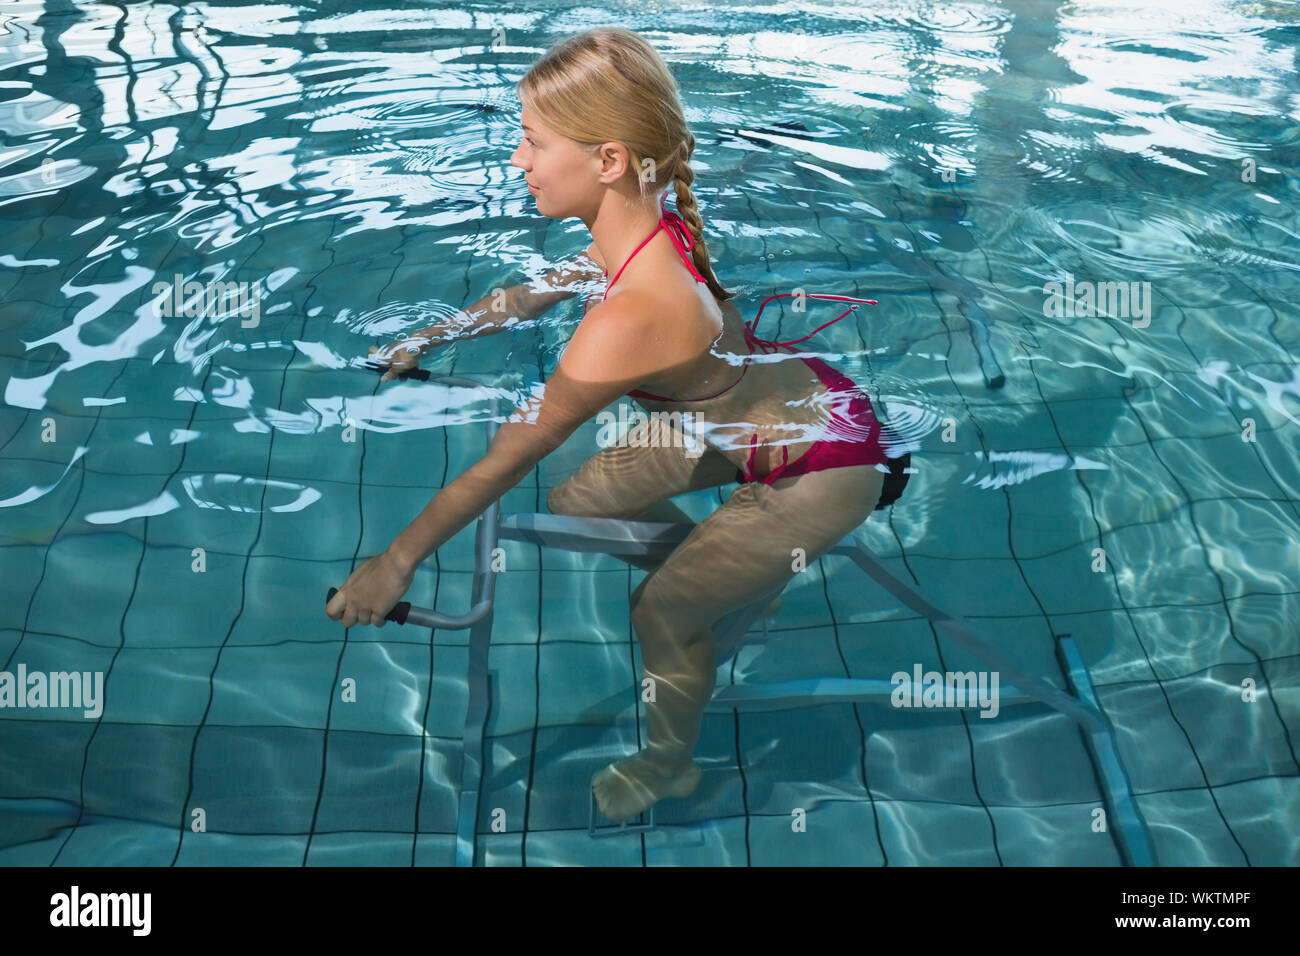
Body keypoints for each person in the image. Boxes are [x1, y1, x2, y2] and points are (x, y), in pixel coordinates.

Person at [328, 27, 909, 822]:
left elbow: (504, 460)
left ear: (606, 161)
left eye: (532, 142)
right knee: (580, 504)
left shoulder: (631, 317)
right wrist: (430, 337)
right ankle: (736, 587)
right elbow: (536, 290)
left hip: (822, 469)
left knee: (660, 612)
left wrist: (394, 563)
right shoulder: (643, 231)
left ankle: (671, 762)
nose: (517, 161)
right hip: (759, 409)